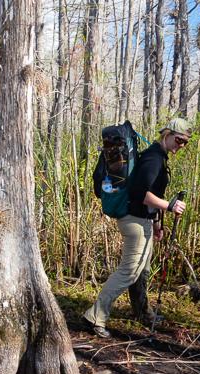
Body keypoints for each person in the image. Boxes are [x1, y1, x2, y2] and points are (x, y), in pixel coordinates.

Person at [83, 117, 192, 338]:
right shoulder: (153, 158)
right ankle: (95, 316)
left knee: (142, 270)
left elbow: (153, 194)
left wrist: (157, 223)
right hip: (134, 221)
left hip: (143, 220)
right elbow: (140, 194)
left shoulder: (158, 156)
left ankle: (143, 312)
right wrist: (169, 206)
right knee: (128, 271)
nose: (180, 145)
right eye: (179, 140)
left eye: (185, 143)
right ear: (167, 134)